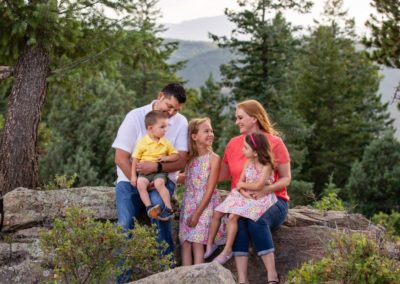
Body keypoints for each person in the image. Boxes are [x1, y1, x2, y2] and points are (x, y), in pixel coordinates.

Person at [112, 83, 188, 283]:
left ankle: (168, 274)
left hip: (161, 180)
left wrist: (156, 169)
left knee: (161, 211)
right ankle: (123, 279)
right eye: (168, 106)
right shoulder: (135, 116)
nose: (171, 113)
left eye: (175, 110)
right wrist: (139, 182)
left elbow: (181, 160)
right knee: (124, 224)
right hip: (130, 180)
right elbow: (121, 158)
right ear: (161, 96)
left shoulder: (180, 123)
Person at [219, 99, 291, 284]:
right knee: (238, 224)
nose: (237, 122)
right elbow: (221, 175)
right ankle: (242, 280)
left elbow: (286, 178)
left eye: (240, 117)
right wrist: (184, 174)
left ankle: (272, 277)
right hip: (244, 200)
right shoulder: (234, 144)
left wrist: (265, 189)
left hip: (274, 200)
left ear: (254, 118)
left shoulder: (275, 143)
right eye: (236, 118)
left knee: (256, 220)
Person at [206, 132, 277, 265]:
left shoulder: (266, 166)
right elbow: (240, 184)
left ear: (255, 152)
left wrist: (243, 186)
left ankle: (227, 250)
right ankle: (210, 244)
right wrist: (244, 192)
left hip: (259, 197)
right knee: (217, 212)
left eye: (245, 147)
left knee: (233, 216)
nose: (242, 150)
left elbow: (258, 185)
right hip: (245, 195)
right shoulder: (248, 162)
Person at [178, 118, 226, 266]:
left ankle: (199, 277)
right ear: (194, 136)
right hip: (188, 205)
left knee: (197, 243)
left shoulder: (214, 159)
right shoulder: (189, 159)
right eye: (206, 131)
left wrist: (197, 213)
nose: (211, 133)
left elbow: (210, 188)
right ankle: (185, 278)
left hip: (204, 206)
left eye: (211, 130)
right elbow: (187, 178)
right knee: (185, 243)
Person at [131, 110, 180, 221]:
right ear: (150, 128)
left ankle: (168, 208)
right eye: (162, 127)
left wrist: (166, 158)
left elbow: (176, 156)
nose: (165, 130)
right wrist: (133, 176)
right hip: (144, 173)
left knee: (159, 183)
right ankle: (149, 207)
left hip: (159, 172)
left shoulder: (165, 142)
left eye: (166, 127)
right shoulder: (142, 142)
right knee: (140, 184)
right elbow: (135, 159)